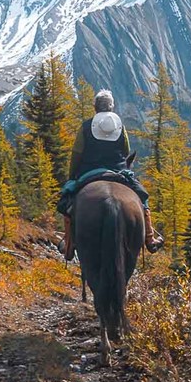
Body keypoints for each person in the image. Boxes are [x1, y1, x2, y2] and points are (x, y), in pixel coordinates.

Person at [57, 89, 164, 260]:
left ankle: (69, 245)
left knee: (67, 199)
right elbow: (126, 150)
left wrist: (72, 176)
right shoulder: (120, 127)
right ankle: (150, 238)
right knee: (142, 196)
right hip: (118, 170)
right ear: (112, 107)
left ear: (95, 107)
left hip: (88, 171)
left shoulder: (85, 127)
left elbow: (77, 153)